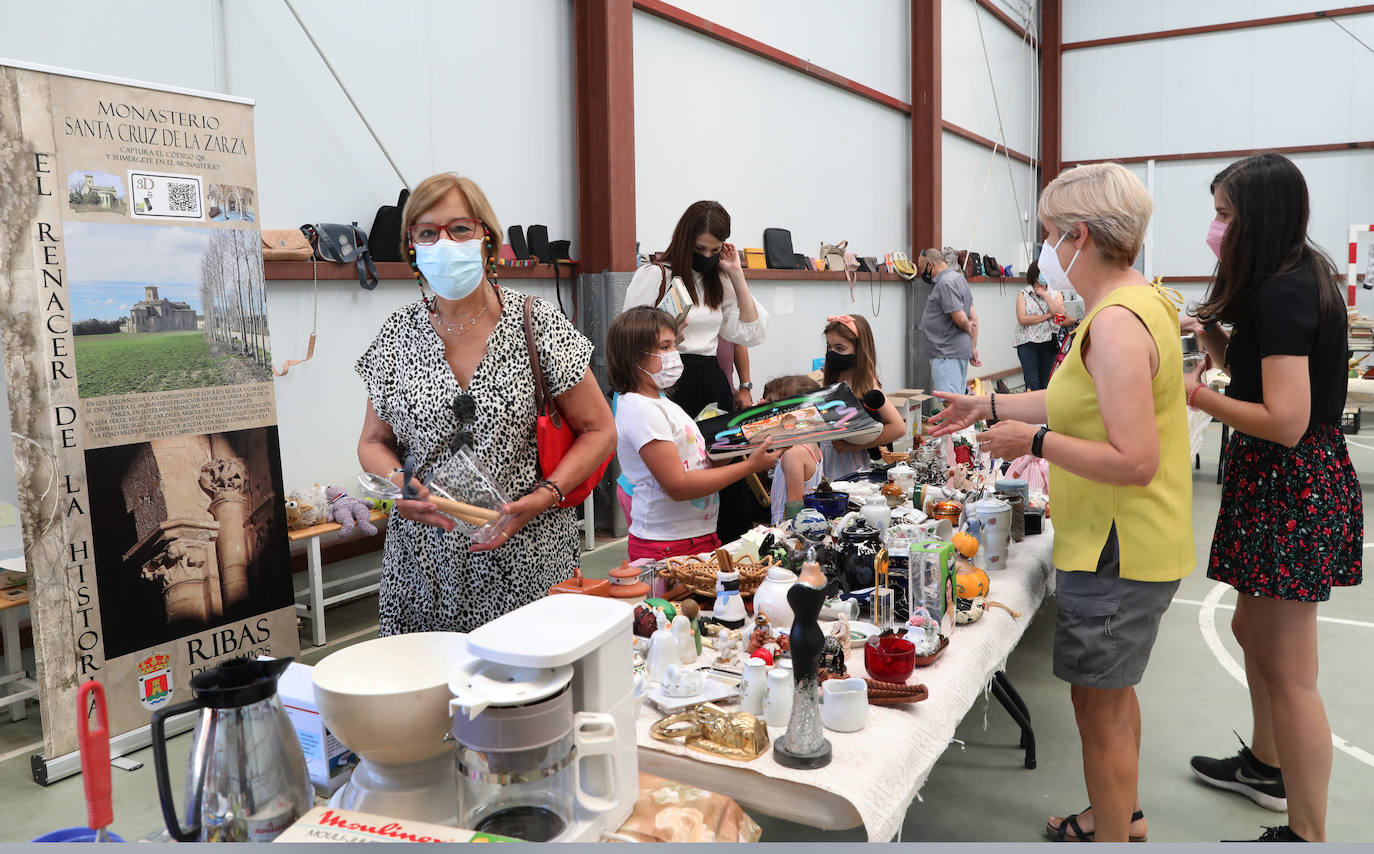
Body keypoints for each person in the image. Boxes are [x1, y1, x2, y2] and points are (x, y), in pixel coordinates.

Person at [930, 163, 1193, 843]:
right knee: (1107, 695)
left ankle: (1111, 835)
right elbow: (1077, 399)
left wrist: (1034, 441)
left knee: (1101, 710)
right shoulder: (1141, 301)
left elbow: (1135, 460)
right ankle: (1119, 816)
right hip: (1123, 539)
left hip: (1119, 544)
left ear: (1078, 235)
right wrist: (985, 403)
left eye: (1049, 235)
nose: (1045, 251)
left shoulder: (1113, 323)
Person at [1182, 153, 1361, 844]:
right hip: (1274, 486)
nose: (1216, 228)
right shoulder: (1290, 279)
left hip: (1293, 489)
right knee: (1249, 630)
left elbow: (1286, 420)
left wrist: (1198, 395)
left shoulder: (1286, 292)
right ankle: (1263, 764)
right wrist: (1214, 342)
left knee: (1292, 674)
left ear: (1257, 218)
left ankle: (1306, 831)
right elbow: (1265, 377)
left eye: (1225, 215)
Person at [355, 173, 615, 635]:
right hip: (424, 568)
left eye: (459, 229)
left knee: (526, 698)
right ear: (411, 245)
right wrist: (402, 486)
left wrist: (546, 496)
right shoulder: (397, 334)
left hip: (527, 557)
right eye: (427, 232)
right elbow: (373, 442)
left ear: (486, 238)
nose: (444, 242)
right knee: (428, 699)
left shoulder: (536, 322)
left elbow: (600, 430)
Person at [625, 200, 770, 541]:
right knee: (683, 472)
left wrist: (735, 272)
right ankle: (680, 546)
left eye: (714, 249)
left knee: (725, 474)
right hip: (671, 379)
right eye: (699, 248)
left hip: (712, 381)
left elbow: (750, 331)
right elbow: (628, 332)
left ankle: (727, 549)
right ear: (685, 239)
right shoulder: (657, 273)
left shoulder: (719, 277)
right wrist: (670, 331)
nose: (706, 255)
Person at [607, 306, 780, 561]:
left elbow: (701, 462)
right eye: (664, 347)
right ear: (634, 357)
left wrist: (748, 431)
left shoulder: (661, 401)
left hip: (696, 535)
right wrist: (749, 467)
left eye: (674, 345)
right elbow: (678, 485)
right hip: (666, 544)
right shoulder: (640, 409)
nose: (674, 355)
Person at [819, 314, 907, 479]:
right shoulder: (834, 377)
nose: (832, 353)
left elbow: (898, 427)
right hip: (827, 459)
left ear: (858, 349)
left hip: (851, 466)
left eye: (840, 348)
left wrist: (851, 446)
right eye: (829, 347)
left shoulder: (866, 384)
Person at [760, 375, 825, 523]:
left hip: (788, 531)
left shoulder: (793, 453)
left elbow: (794, 512)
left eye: (774, 407)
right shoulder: (812, 444)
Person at [917, 248, 981, 396]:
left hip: (947, 353)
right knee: (957, 399)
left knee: (950, 400)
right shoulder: (959, 279)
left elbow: (961, 318)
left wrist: (967, 328)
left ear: (930, 265)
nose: (922, 273)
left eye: (922, 268)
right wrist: (973, 346)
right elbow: (973, 316)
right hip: (953, 352)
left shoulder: (946, 283)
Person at [1014, 262, 1066, 391]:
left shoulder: (1055, 293)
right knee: (1032, 384)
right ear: (1035, 274)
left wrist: (1045, 295)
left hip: (1049, 343)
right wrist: (1049, 315)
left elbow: (1060, 313)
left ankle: (1043, 411)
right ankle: (1030, 410)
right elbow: (1022, 319)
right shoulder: (1024, 293)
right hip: (1027, 343)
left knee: (1045, 383)